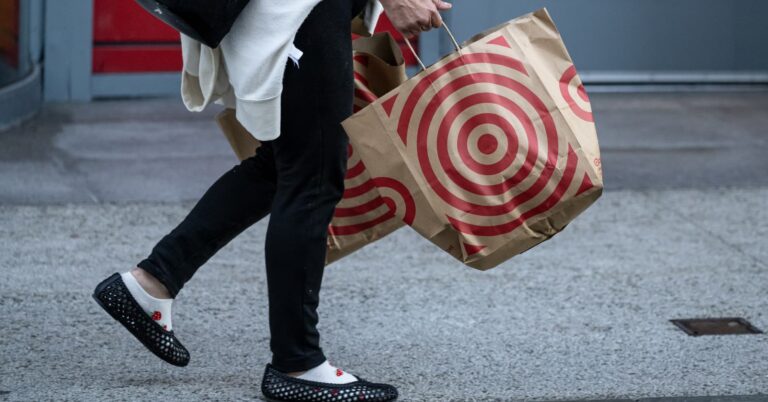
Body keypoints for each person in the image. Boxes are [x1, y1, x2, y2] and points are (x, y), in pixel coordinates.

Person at [92, 0, 451, 401]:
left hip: (300, 13)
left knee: (286, 163)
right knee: (311, 173)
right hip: (299, 10)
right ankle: (297, 364)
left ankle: (152, 282)